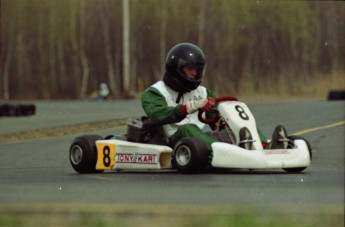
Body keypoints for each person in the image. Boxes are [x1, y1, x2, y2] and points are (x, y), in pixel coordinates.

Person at [141, 43, 287, 151]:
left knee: (239, 122)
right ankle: (223, 152)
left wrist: (223, 118)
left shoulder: (203, 92)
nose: (193, 74)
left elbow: (216, 119)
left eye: (197, 70)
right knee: (188, 128)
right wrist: (187, 108)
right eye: (189, 69)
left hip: (200, 140)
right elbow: (158, 114)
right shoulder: (155, 92)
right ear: (175, 69)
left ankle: (264, 146)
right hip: (172, 140)